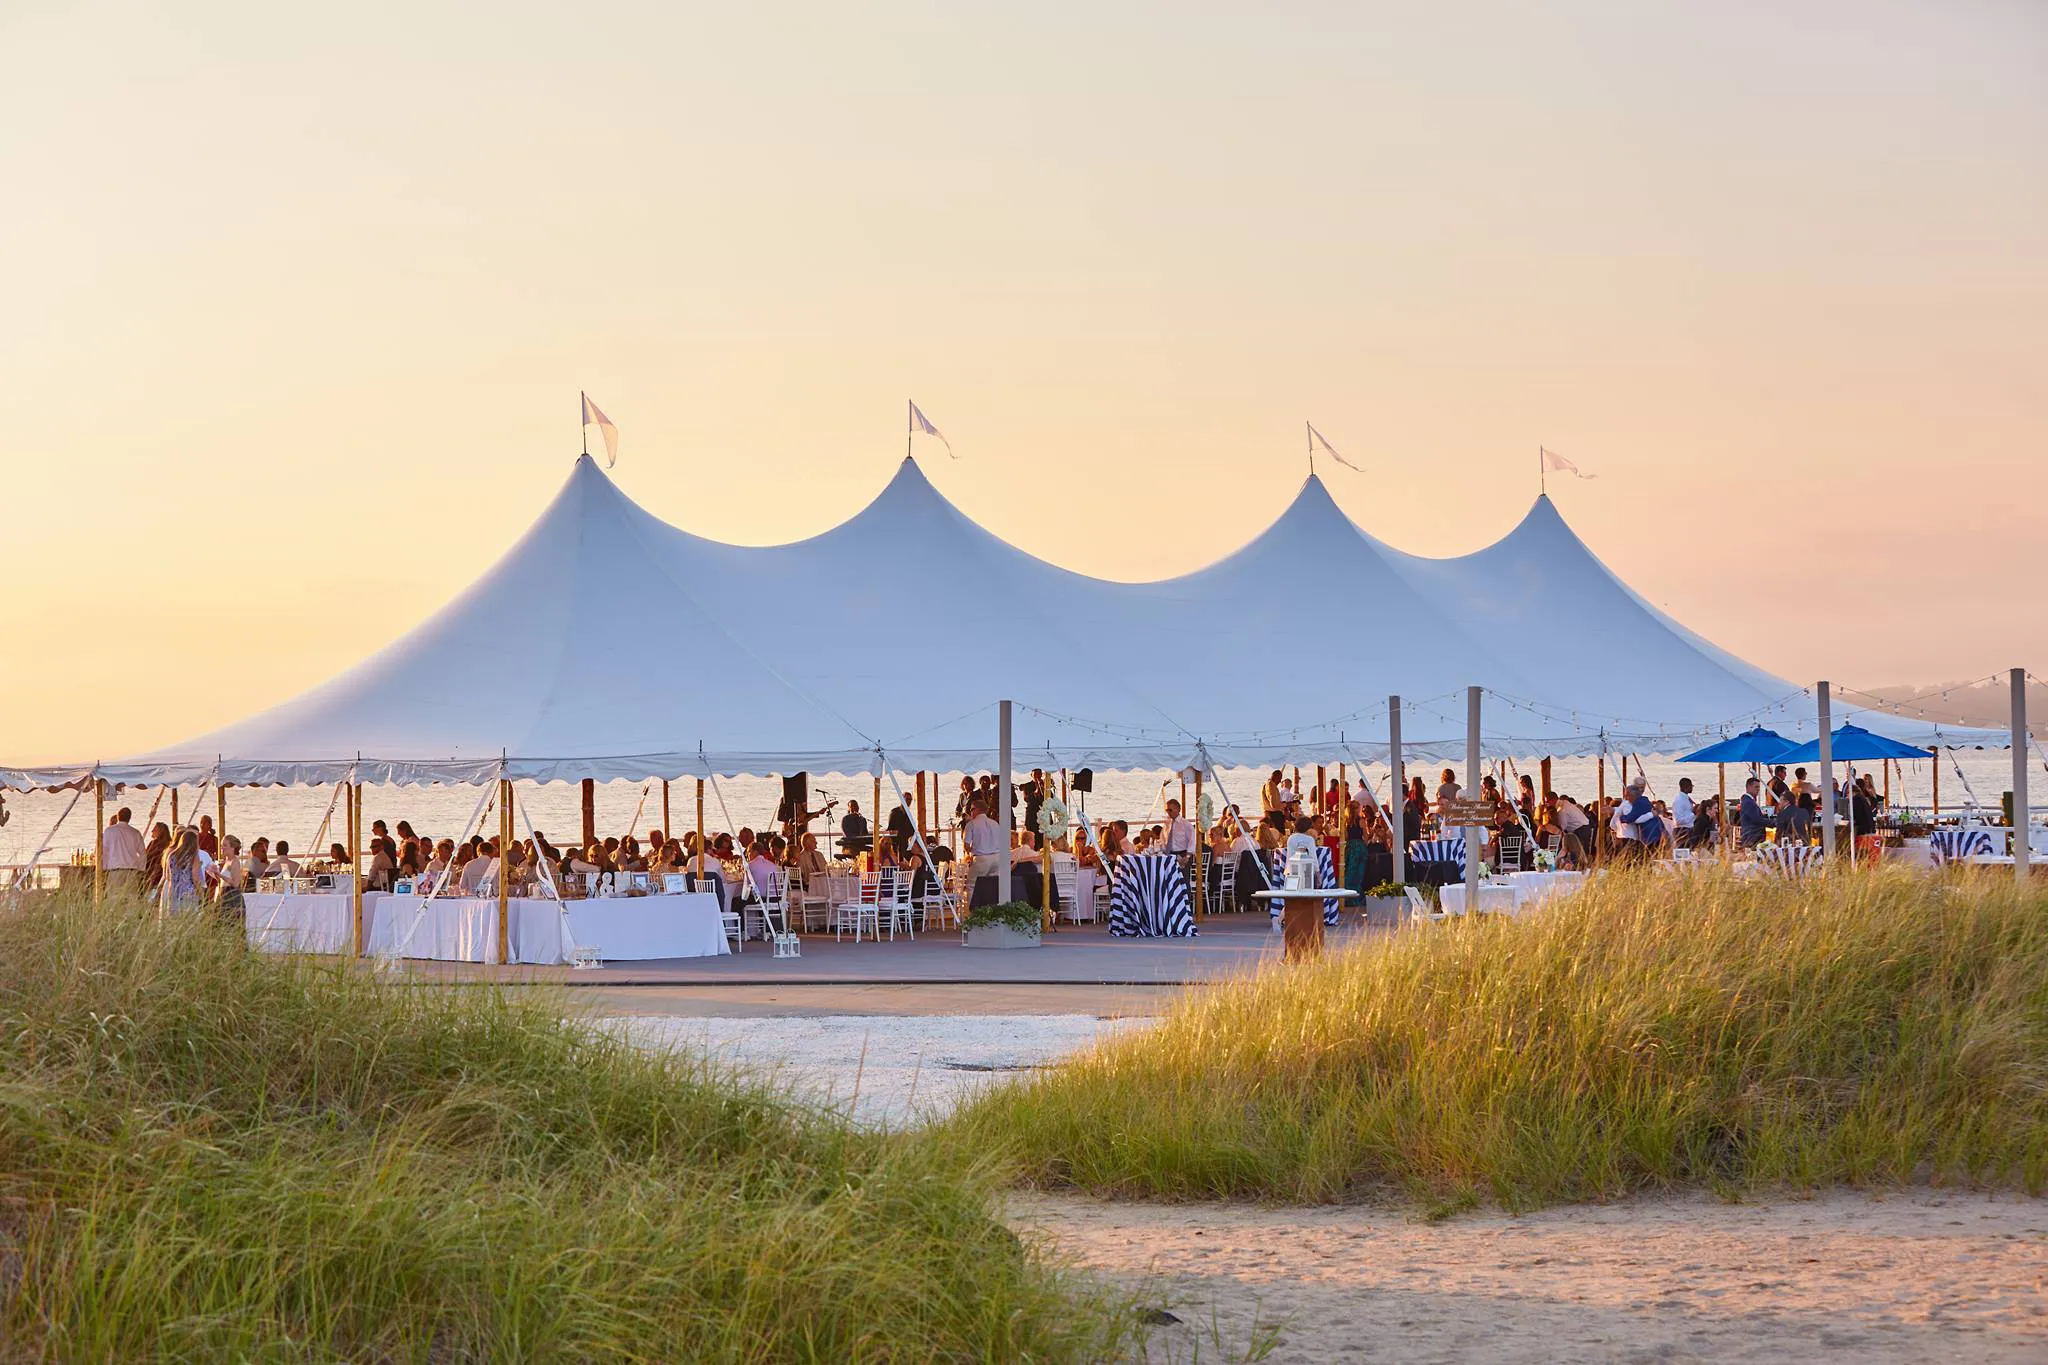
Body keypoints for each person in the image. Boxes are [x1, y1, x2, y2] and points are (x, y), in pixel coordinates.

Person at [100, 806, 147, 897]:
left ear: (118, 817)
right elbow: (143, 854)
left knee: (113, 899)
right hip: (131, 871)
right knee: (131, 899)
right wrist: (140, 869)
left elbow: (104, 851)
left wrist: (104, 867)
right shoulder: (135, 832)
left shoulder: (109, 831)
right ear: (129, 818)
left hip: (114, 871)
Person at [160, 828, 205, 913]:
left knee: (174, 920)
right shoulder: (194, 856)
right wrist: (201, 893)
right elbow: (195, 878)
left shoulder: (171, 855)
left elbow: (169, 876)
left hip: (173, 892)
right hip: (188, 893)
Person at [142, 821, 172, 892]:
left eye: (154, 829)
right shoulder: (170, 844)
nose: (152, 831)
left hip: (152, 875)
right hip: (164, 875)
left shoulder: (154, 844)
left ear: (159, 832)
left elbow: (146, 858)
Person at [1671, 778, 1696, 843]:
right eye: (1691, 786)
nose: (1692, 788)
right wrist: (1693, 813)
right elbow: (1678, 821)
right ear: (1685, 787)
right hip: (1682, 831)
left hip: (1688, 830)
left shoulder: (1686, 798)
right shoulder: (1679, 800)